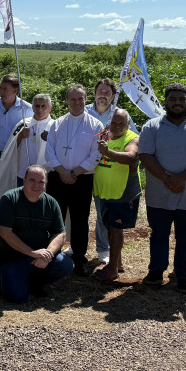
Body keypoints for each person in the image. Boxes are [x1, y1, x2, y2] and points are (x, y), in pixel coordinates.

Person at [138, 83, 186, 292]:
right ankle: (156, 272)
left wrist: (181, 179)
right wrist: (168, 179)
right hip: (159, 195)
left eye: (182, 99)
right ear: (165, 101)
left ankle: (183, 276)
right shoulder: (151, 126)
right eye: (172, 99)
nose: (177, 103)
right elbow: (145, 155)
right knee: (159, 234)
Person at [43, 84, 104, 276]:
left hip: (82, 179)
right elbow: (49, 151)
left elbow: (96, 155)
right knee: (55, 218)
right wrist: (62, 172)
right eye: (73, 99)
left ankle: (79, 259)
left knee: (80, 220)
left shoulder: (96, 125)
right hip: (57, 177)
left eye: (80, 99)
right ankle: (51, 256)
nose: (77, 102)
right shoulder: (56, 124)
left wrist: (74, 173)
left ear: (86, 100)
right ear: (67, 101)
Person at [0, 166, 74, 303]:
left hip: (41, 256)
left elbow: (60, 233)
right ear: (24, 180)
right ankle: (0, 275)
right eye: (32, 180)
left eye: (41, 182)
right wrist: (33, 253)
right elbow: (5, 233)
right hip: (14, 257)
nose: (36, 185)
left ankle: (35, 280)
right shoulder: (9, 199)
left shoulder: (51, 203)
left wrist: (48, 254)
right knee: (17, 298)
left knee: (65, 265)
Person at [85, 78, 137, 265]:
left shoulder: (120, 114)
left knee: (103, 214)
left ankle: (103, 249)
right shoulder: (84, 111)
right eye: (100, 91)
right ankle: (76, 243)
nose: (103, 95)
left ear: (113, 96)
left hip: (108, 173)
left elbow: (132, 138)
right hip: (84, 168)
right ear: (94, 93)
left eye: (107, 92)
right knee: (79, 211)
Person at [92, 109, 141, 282]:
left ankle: (112, 270)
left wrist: (108, 153)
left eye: (121, 124)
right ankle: (117, 263)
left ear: (128, 124)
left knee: (116, 229)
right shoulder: (105, 136)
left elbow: (131, 157)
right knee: (109, 228)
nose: (117, 127)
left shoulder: (133, 138)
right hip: (105, 192)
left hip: (123, 193)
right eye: (114, 123)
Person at [0, 74, 33, 184]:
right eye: (0, 88)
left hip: (17, 156)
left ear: (15, 91)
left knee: (15, 188)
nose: (1, 92)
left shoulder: (27, 108)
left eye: (5, 89)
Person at [13, 93, 53, 186]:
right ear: (32, 107)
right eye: (37, 106)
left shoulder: (55, 126)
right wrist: (20, 136)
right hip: (23, 173)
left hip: (45, 175)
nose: (40, 109)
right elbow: (11, 149)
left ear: (50, 108)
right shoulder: (23, 123)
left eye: (43, 106)